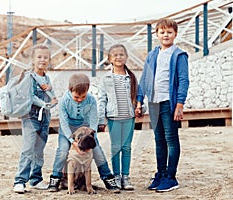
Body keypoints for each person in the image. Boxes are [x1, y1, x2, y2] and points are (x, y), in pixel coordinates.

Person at [135, 18, 189, 192]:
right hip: (153, 103)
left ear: (175, 34)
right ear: (157, 34)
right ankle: (161, 173)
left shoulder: (179, 55)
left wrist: (179, 104)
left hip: (169, 102)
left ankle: (171, 177)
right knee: (159, 140)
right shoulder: (152, 55)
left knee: (171, 139)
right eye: (162, 32)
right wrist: (139, 100)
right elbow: (144, 79)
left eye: (169, 32)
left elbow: (183, 80)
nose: (166, 35)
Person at [47, 73, 120, 193]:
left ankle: (107, 177)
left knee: (98, 151)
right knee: (63, 150)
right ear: (70, 90)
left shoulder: (91, 100)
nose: (80, 100)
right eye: (76, 97)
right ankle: (55, 178)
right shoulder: (65, 101)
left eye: (83, 97)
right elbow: (64, 123)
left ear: (87, 91)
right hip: (68, 129)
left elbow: (93, 121)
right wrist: (72, 142)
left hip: (85, 129)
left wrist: (91, 137)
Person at [13, 45, 58, 193]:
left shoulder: (46, 77)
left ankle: (35, 179)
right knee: (28, 148)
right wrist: (45, 104)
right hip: (30, 116)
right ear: (33, 59)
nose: (42, 60)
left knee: (39, 149)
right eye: (39, 57)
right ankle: (20, 181)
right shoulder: (29, 76)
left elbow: (52, 95)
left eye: (45, 57)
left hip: (45, 117)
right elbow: (29, 96)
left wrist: (51, 94)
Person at [97, 44, 138, 190]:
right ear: (110, 59)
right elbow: (102, 99)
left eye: (121, 54)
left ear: (126, 57)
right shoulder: (106, 78)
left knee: (126, 147)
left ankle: (125, 177)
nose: (118, 57)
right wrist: (101, 120)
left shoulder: (131, 77)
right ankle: (116, 176)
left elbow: (138, 96)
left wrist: (141, 107)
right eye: (115, 55)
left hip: (129, 117)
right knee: (115, 148)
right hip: (113, 117)